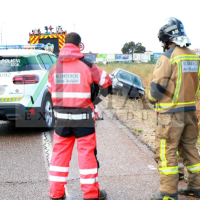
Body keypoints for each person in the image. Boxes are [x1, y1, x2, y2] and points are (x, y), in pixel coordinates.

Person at [48, 32, 112, 200]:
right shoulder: (88, 65)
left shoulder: (54, 68)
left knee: (59, 157)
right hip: (83, 118)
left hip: (61, 118)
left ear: (64, 45)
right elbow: (107, 83)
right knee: (87, 158)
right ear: (79, 45)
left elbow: (50, 89)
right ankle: (91, 195)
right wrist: (96, 101)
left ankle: (56, 193)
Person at [148, 17, 200, 200]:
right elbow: (196, 84)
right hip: (191, 112)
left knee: (166, 151)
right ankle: (196, 187)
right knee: (190, 148)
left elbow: (156, 88)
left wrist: (152, 100)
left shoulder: (168, 56)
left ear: (166, 38)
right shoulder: (194, 55)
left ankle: (168, 194)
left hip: (170, 115)